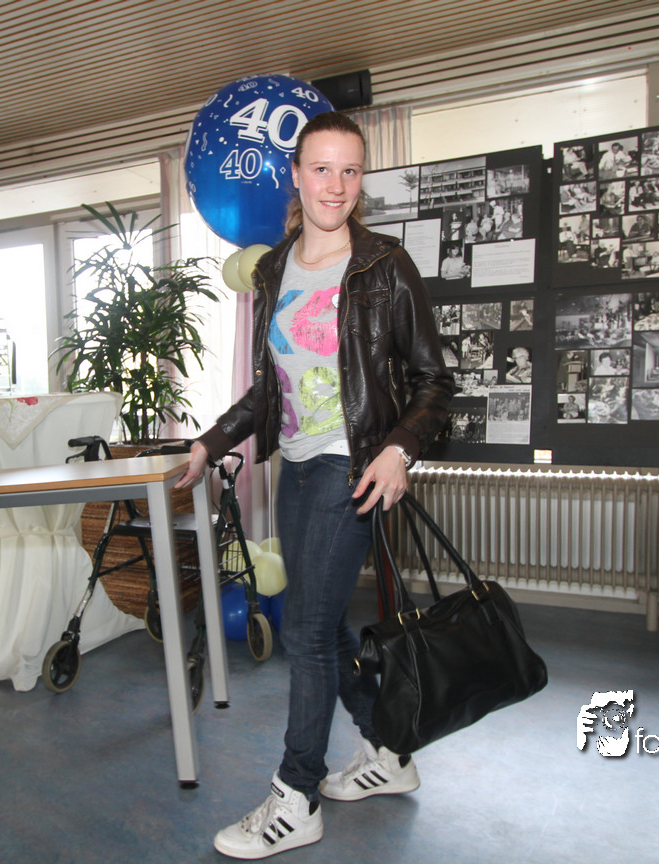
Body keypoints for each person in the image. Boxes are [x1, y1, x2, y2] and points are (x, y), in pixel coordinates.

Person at [175, 112, 454, 859]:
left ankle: (297, 795)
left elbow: (434, 381)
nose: (335, 185)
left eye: (350, 170)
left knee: (302, 632)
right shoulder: (274, 270)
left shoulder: (384, 265)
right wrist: (210, 441)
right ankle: (389, 749)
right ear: (295, 176)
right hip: (294, 465)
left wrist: (398, 449)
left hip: (350, 465)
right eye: (321, 169)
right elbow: (269, 387)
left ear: (362, 180)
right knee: (321, 625)